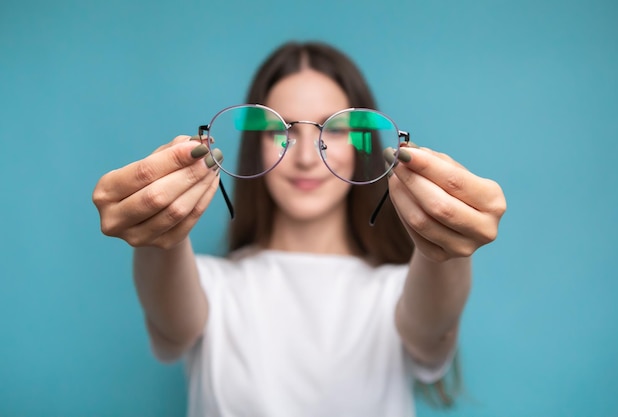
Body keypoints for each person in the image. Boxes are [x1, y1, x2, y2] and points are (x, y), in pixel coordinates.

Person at [92, 41, 506, 417]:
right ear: (254, 144)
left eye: (336, 128)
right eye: (282, 129)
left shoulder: (398, 292)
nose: (307, 157)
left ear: (364, 143)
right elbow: (171, 317)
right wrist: (157, 225)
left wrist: (445, 243)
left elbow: (432, 323)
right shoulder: (212, 289)